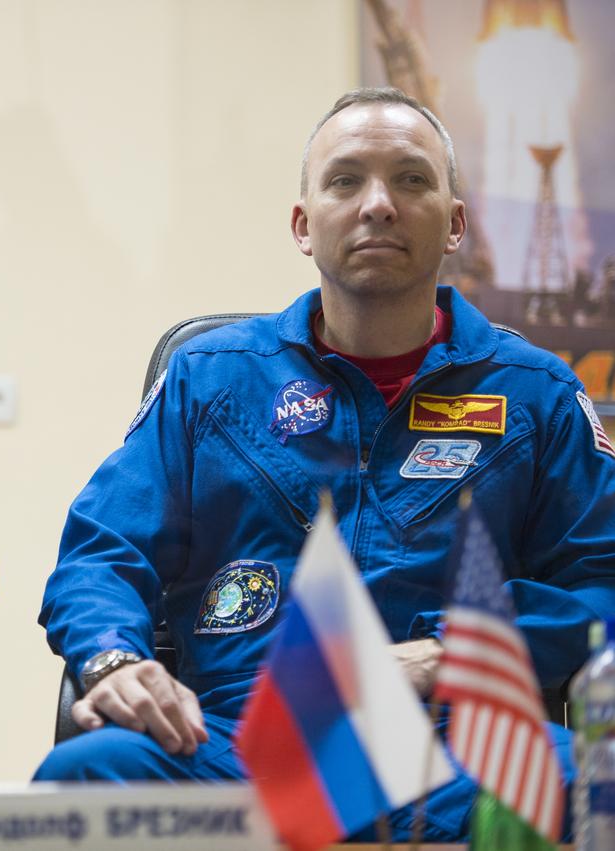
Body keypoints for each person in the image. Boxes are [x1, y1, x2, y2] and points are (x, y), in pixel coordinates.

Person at [33, 87, 615, 842]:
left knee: (594, 782)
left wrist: (445, 655)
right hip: (235, 740)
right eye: (345, 181)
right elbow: (101, 552)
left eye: (410, 179)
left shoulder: (533, 391)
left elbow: (601, 582)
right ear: (303, 225)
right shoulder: (209, 379)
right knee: (83, 776)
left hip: (456, 743)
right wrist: (112, 660)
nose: (378, 205)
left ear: (455, 224)